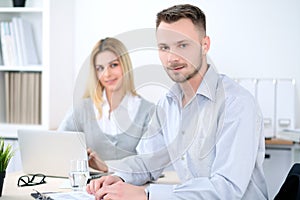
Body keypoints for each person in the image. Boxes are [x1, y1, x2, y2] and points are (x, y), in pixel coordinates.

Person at [86, 4, 268, 200]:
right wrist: (118, 177)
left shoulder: (236, 103)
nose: (172, 58)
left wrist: (147, 195)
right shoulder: (167, 104)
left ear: (204, 45)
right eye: (164, 47)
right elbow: (148, 161)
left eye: (183, 45)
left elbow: (227, 189)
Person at [58, 37, 154, 172]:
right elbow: (59, 146)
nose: (107, 74)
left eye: (113, 65)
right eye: (100, 68)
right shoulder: (82, 109)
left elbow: (150, 162)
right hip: (90, 188)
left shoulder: (147, 111)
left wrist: (107, 166)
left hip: (132, 188)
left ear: (125, 66)